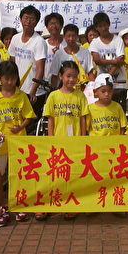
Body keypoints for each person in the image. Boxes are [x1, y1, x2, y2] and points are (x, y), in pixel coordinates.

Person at [0, 60, 35, 220]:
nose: (10, 82)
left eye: (13, 78)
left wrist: (20, 127)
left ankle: (20, 204)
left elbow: (28, 116)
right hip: (1, 144)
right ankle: (1, 203)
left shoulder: (21, 96)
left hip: (18, 141)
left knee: (19, 174)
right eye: (6, 78)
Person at [42, 60, 88, 220]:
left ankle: (70, 204)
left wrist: (82, 139)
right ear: (61, 76)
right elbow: (50, 120)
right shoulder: (53, 96)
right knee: (56, 174)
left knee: (72, 174)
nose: (71, 79)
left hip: (75, 142)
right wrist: (51, 141)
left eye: (74, 77)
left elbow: (83, 119)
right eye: (68, 76)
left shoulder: (80, 95)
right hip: (58, 142)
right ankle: (51, 203)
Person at [89, 12, 127, 90]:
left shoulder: (118, 39)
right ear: (96, 28)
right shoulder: (94, 42)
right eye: (100, 26)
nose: (103, 28)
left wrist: (108, 75)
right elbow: (97, 60)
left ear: (109, 24)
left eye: (105, 25)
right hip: (102, 84)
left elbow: (120, 60)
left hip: (119, 83)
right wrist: (114, 61)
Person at [50, 24, 94, 89]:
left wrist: (92, 89)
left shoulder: (86, 52)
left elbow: (90, 73)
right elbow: (54, 75)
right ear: (64, 37)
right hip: (64, 90)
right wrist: (53, 90)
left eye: (73, 36)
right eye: (68, 36)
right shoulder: (59, 54)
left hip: (82, 90)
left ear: (77, 36)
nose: (71, 38)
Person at [43, 12, 64, 82]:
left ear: (61, 26)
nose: (54, 26)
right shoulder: (43, 44)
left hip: (64, 85)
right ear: (47, 27)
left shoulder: (67, 44)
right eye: (51, 24)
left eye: (57, 23)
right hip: (44, 84)